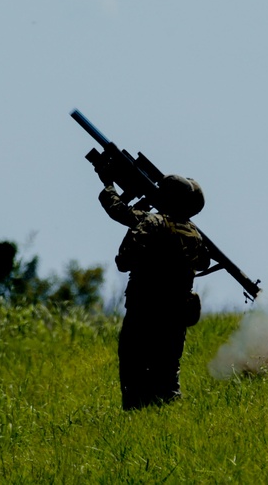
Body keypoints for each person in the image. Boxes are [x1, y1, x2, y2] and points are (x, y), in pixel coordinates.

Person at [97, 172, 210, 410]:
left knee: (134, 369)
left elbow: (123, 261)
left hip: (145, 311)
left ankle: (136, 420)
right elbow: (203, 263)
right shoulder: (194, 234)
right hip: (175, 316)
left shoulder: (152, 223)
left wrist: (109, 183)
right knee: (167, 374)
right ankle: (170, 418)